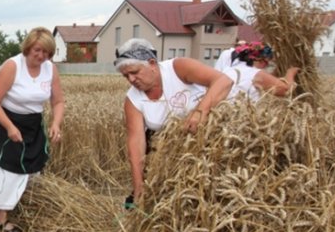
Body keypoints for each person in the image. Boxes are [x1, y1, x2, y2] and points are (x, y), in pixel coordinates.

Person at [116, 38, 233, 206]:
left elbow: (224, 81)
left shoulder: (178, 68)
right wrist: (138, 187)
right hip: (170, 156)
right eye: (126, 76)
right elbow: (136, 146)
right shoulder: (133, 100)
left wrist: (200, 112)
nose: (131, 79)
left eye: (135, 72)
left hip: (210, 146)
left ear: (152, 63)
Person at [0, 27, 64, 232]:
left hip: (32, 125)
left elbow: (58, 101)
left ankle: (14, 207)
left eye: (46, 53)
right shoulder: (12, 66)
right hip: (4, 122)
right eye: (37, 51)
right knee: (6, 171)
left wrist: (56, 123)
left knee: (28, 169)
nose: (41, 56)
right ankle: (0, 219)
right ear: (28, 47)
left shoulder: (50, 70)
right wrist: (9, 127)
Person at [223, 42, 299, 101]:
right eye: (266, 62)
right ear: (258, 59)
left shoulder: (229, 69)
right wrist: (291, 72)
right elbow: (286, 90)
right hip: (243, 116)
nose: (265, 66)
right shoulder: (254, 73)